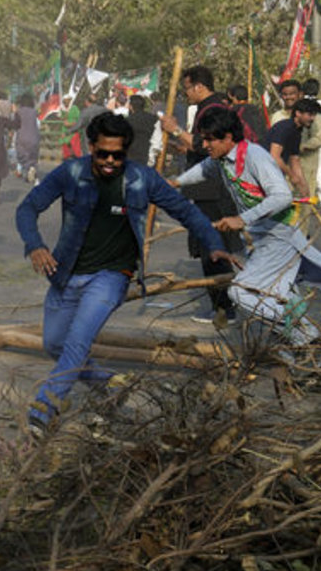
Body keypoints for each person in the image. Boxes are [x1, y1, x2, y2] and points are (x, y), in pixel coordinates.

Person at [18, 112, 232, 436]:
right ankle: (111, 384)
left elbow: (185, 211)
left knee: (78, 341)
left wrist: (213, 243)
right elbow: (27, 208)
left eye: (117, 155)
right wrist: (35, 245)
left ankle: (42, 413)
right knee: (55, 345)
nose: (109, 161)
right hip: (66, 274)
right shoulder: (71, 173)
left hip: (111, 276)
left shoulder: (142, 179)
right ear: (91, 147)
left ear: (126, 152)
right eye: (102, 153)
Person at [176, 107, 321, 346]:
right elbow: (204, 169)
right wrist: (173, 181)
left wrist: (241, 219)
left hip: (278, 235)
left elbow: (282, 196)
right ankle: (303, 345)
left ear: (227, 137)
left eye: (209, 139)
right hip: (260, 238)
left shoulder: (254, 156)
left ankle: (305, 336)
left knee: (241, 292)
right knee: (274, 294)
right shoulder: (223, 159)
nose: (204, 144)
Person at [158, 65, 244, 324]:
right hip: (209, 184)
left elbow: (206, 145)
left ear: (198, 86)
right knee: (211, 244)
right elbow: (201, 147)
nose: (186, 94)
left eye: (187, 88)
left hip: (214, 189)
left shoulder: (213, 109)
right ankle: (223, 304)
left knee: (212, 245)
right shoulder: (208, 108)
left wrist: (174, 129)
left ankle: (224, 308)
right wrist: (186, 148)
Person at [11, 92, 41, 183]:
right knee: (33, 155)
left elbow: (16, 125)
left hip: (22, 137)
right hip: (35, 137)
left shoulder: (19, 112)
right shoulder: (34, 112)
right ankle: (32, 169)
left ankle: (29, 168)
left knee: (21, 155)